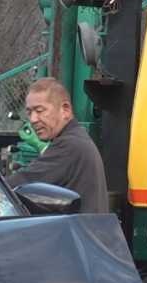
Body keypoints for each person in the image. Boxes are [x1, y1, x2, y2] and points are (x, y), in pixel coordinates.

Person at [6, 78, 108, 214]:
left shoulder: (69, 145)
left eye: (39, 110)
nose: (33, 119)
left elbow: (19, 184)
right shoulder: (76, 139)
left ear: (65, 110)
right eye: (29, 112)